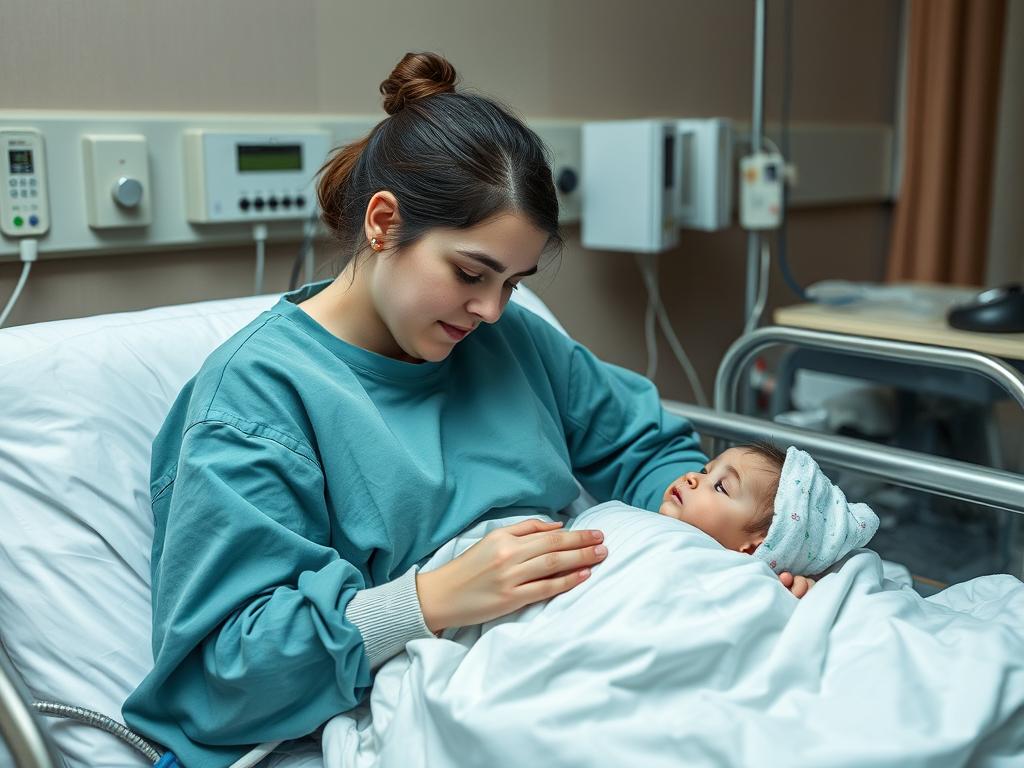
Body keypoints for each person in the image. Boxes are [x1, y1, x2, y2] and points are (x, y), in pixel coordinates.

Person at [123, 51, 711, 768]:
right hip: (436, 703)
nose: (491, 310)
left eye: (513, 284)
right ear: (382, 223)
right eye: (470, 273)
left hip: (585, 647)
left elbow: (648, 451)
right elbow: (227, 667)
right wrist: (428, 601)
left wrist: (724, 538)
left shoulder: (513, 342)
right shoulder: (256, 402)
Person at [656, 442, 879, 594]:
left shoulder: (749, 589)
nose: (693, 477)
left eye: (721, 487)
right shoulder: (640, 526)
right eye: (705, 471)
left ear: (756, 545)